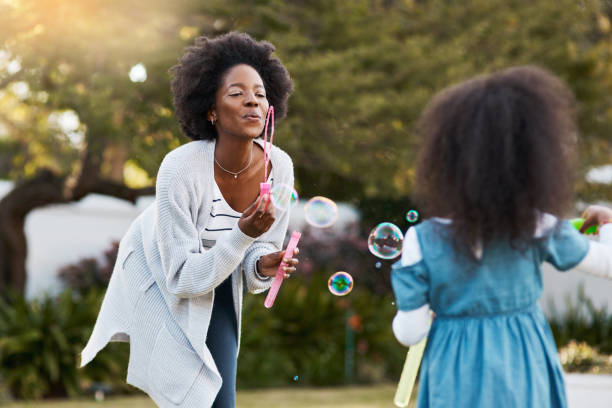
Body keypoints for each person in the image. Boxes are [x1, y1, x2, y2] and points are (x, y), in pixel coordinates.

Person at [80, 32, 299, 408]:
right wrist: (242, 235)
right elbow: (182, 278)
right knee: (186, 388)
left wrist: (263, 262)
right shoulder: (179, 168)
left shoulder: (278, 166)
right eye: (236, 93)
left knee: (219, 396)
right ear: (210, 109)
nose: (252, 100)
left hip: (222, 274)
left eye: (260, 94)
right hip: (162, 267)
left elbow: (258, 253)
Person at [390, 66, 612, 408]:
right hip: (524, 370)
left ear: (445, 161)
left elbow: (410, 333)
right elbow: (607, 264)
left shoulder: (422, 240)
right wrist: (608, 226)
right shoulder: (536, 226)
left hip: (455, 377)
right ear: (532, 163)